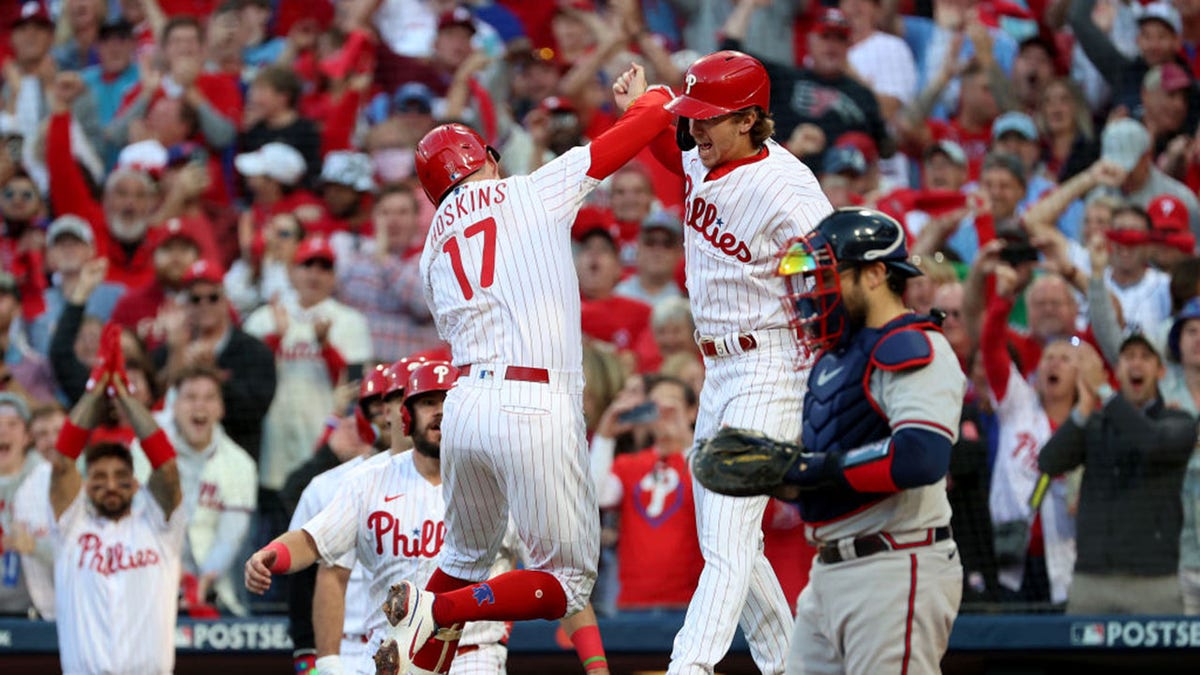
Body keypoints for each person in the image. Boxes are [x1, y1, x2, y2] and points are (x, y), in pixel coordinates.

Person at [358, 62, 676, 674]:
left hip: (465, 408)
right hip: (532, 400)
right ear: (484, 159)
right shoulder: (528, 190)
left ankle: (424, 656)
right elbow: (640, 130)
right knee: (568, 583)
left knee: (463, 556)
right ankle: (441, 613)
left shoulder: (429, 250)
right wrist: (649, 97)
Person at [694, 208, 965, 673]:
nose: (812, 293)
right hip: (828, 572)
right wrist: (780, 476)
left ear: (877, 273)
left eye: (827, 275)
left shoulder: (914, 345)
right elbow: (827, 469)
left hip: (895, 563)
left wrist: (811, 469)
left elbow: (920, 457)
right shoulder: (831, 359)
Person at [648, 50, 834, 675]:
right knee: (730, 545)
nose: (694, 128)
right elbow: (667, 156)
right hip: (719, 371)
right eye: (692, 115)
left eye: (709, 118)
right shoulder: (706, 154)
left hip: (771, 365)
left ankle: (688, 668)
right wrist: (638, 109)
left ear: (752, 118)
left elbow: (834, 271)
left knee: (725, 546)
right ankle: (789, 665)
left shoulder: (788, 186)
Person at [1039, 328, 1194, 614]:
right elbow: (1049, 462)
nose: (1136, 364)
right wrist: (1083, 409)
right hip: (1092, 578)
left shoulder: (1179, 421)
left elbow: (1153, 443)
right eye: (1128, 357)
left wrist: (1106, 394)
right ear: (1118, 370)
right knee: (1079, 660)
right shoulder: (1096, 422)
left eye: (1146, 357)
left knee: (1159, 661)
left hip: (1155, 580)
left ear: (1160, 371)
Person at [48, 360, 184, 674]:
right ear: (85, 486)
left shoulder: (159, 527)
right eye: (99, 477)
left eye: (120, 476)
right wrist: (95, 392)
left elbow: (167, 468)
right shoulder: (71, 528)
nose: (110, 484)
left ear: (136, 483)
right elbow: (62, 463)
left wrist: (126, 398)